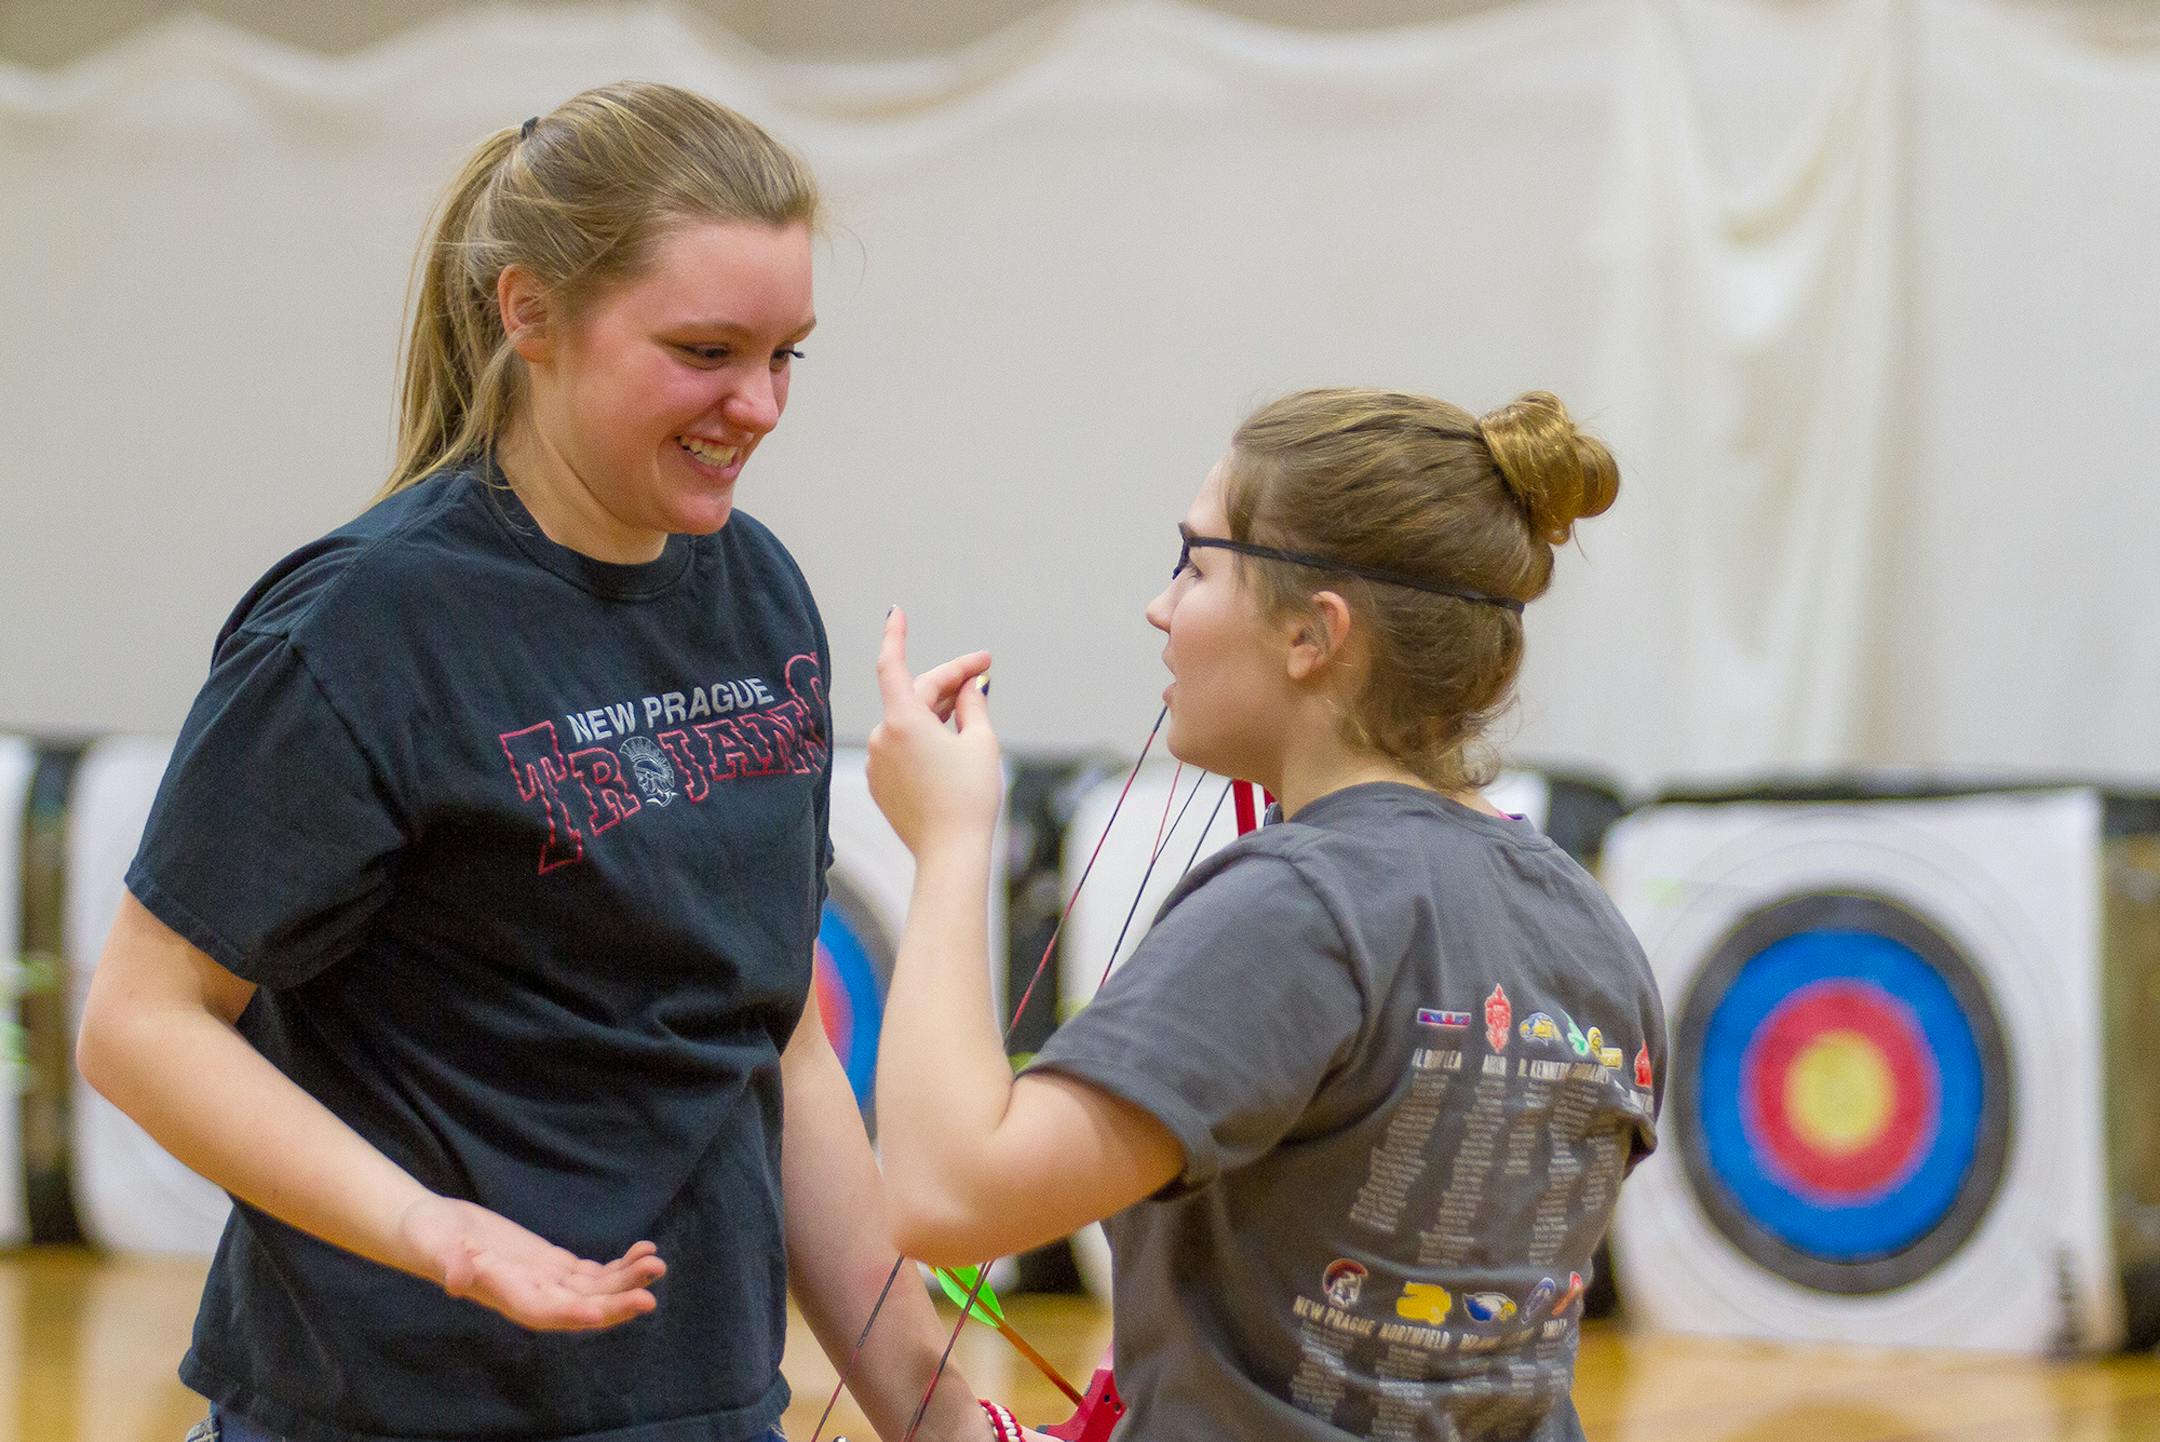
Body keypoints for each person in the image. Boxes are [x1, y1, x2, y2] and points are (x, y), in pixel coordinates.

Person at [77, 81, 1006, 1442]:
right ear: (530, 313)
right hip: (382, 1412)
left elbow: (784, 1045)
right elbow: (139, 1023)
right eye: (705, 350)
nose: (759, 404)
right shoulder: (357, 627)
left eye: (787, 353)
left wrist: (938, 1414)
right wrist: (434, 1229)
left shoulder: (758, 593)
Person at [867, 388, 1666, 1440]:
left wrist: (950, 840)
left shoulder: (1301, 908)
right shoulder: (1591, 924)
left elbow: (950, 1198)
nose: (1161, 608)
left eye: (1195, 565)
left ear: (1312, 632)